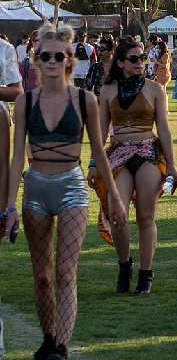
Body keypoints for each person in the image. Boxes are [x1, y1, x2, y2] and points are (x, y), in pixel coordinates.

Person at [8, 27, 117, 360]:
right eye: (45, 56)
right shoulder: (25, 101)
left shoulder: (86, 100)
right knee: (41, 276)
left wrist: (111, 197)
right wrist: (8, 207)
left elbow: (99, 151)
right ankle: (48, 336)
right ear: (36, 60)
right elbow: (16, 159)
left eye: (58, 55)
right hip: (36, 188)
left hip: (72, 187)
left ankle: (61, 347)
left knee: (65, 271)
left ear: (69, 60)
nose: (51, 61)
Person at [99, 38, 176, 295]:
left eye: (142, 58)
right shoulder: (107, 90)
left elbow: (164, 130)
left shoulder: (155, 89)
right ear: (120, 62)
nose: (140, 62)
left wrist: (172, 165)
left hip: (148, 151)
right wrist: (92, 164)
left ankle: (146, 273)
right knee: (117, 212)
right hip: (119, 152)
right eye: (134, 59)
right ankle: (124, 265)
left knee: (146, 215)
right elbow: (99, 134)